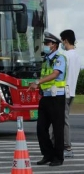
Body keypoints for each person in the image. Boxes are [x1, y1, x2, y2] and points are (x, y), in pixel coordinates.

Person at [28, 32, 66, 166]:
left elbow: (55, 74)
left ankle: (58, 157)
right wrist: (38, 88)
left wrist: (37, 82)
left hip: (57, 98)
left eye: (47, 43)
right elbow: (45, 77)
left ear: (54, 45)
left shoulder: (59, 58)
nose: (45, 45)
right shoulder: (46, 60)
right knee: (40, 128)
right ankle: (48, 154)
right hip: (45, 97)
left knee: (57, 129)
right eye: (45, 43)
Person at [52, 29, 80, 158]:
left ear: (66, 40)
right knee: (58, 118)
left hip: (63, 91)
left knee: (63, 120)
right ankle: (55, 145)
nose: (62, 43)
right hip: (72, 91)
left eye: (62, 40)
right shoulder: (77, 56)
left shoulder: (65, 56)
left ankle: (67, 147)